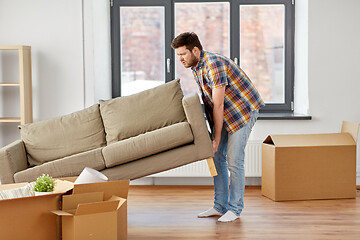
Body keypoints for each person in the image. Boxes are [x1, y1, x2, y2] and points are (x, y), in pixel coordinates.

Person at [171, 32, 265, 222]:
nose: (180, 59)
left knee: (234, 160)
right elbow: (209, 103)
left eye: (183, 54)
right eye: (178, 55)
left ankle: (235, 209)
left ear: (195, 50)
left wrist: (217, 138)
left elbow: (219, 104)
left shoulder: (214, 65)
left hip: (242, 112)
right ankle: (219, 206)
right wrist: (212, 136)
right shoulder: (196, 66)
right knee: (216, 157)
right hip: (226, 112)